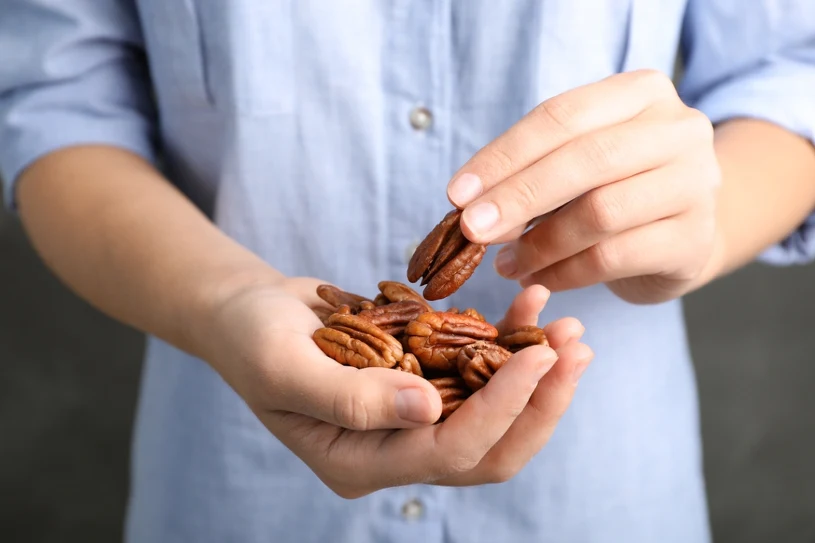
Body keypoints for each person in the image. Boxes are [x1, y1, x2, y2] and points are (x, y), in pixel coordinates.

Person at [2, 1, 814, 541]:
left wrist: (694, 228)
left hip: (604, 494)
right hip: (234, 487)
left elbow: (790, 74)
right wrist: (224, 302)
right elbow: (55, 103)